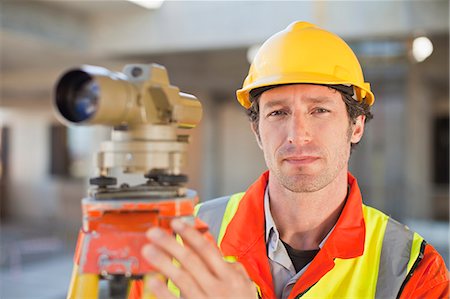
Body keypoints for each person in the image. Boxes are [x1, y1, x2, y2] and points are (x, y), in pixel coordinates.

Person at [131, 21, 449, 299]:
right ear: (257, 130)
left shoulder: (413, 270)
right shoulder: (183, 236)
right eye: (278, 112)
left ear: (356, 125)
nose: (297, 134)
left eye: (319, 110)